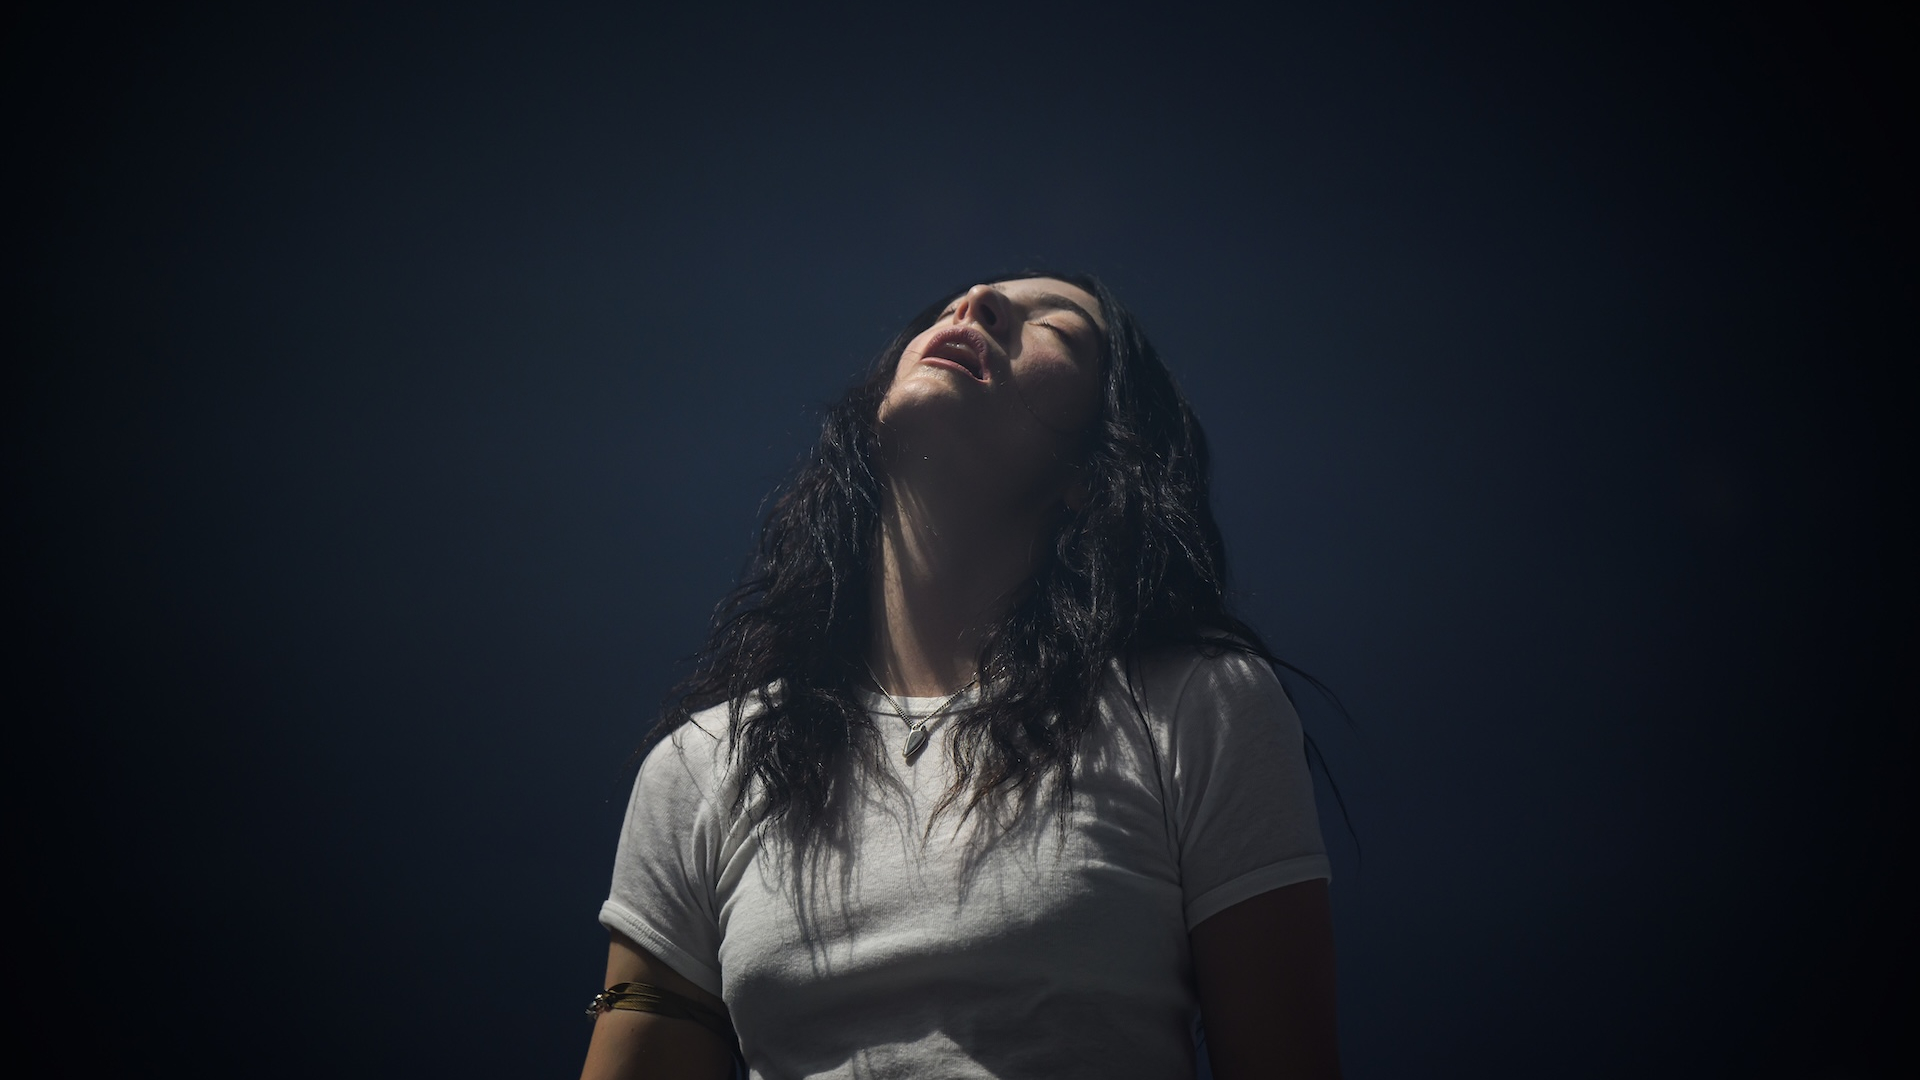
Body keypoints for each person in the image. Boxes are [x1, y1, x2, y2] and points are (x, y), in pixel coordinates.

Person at [579, 273, 1341, 1080]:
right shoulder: (702, 766)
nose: (975, 301)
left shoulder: (1197, 705)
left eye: (1058, 329)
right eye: (950, 308)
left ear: (1091, 471)